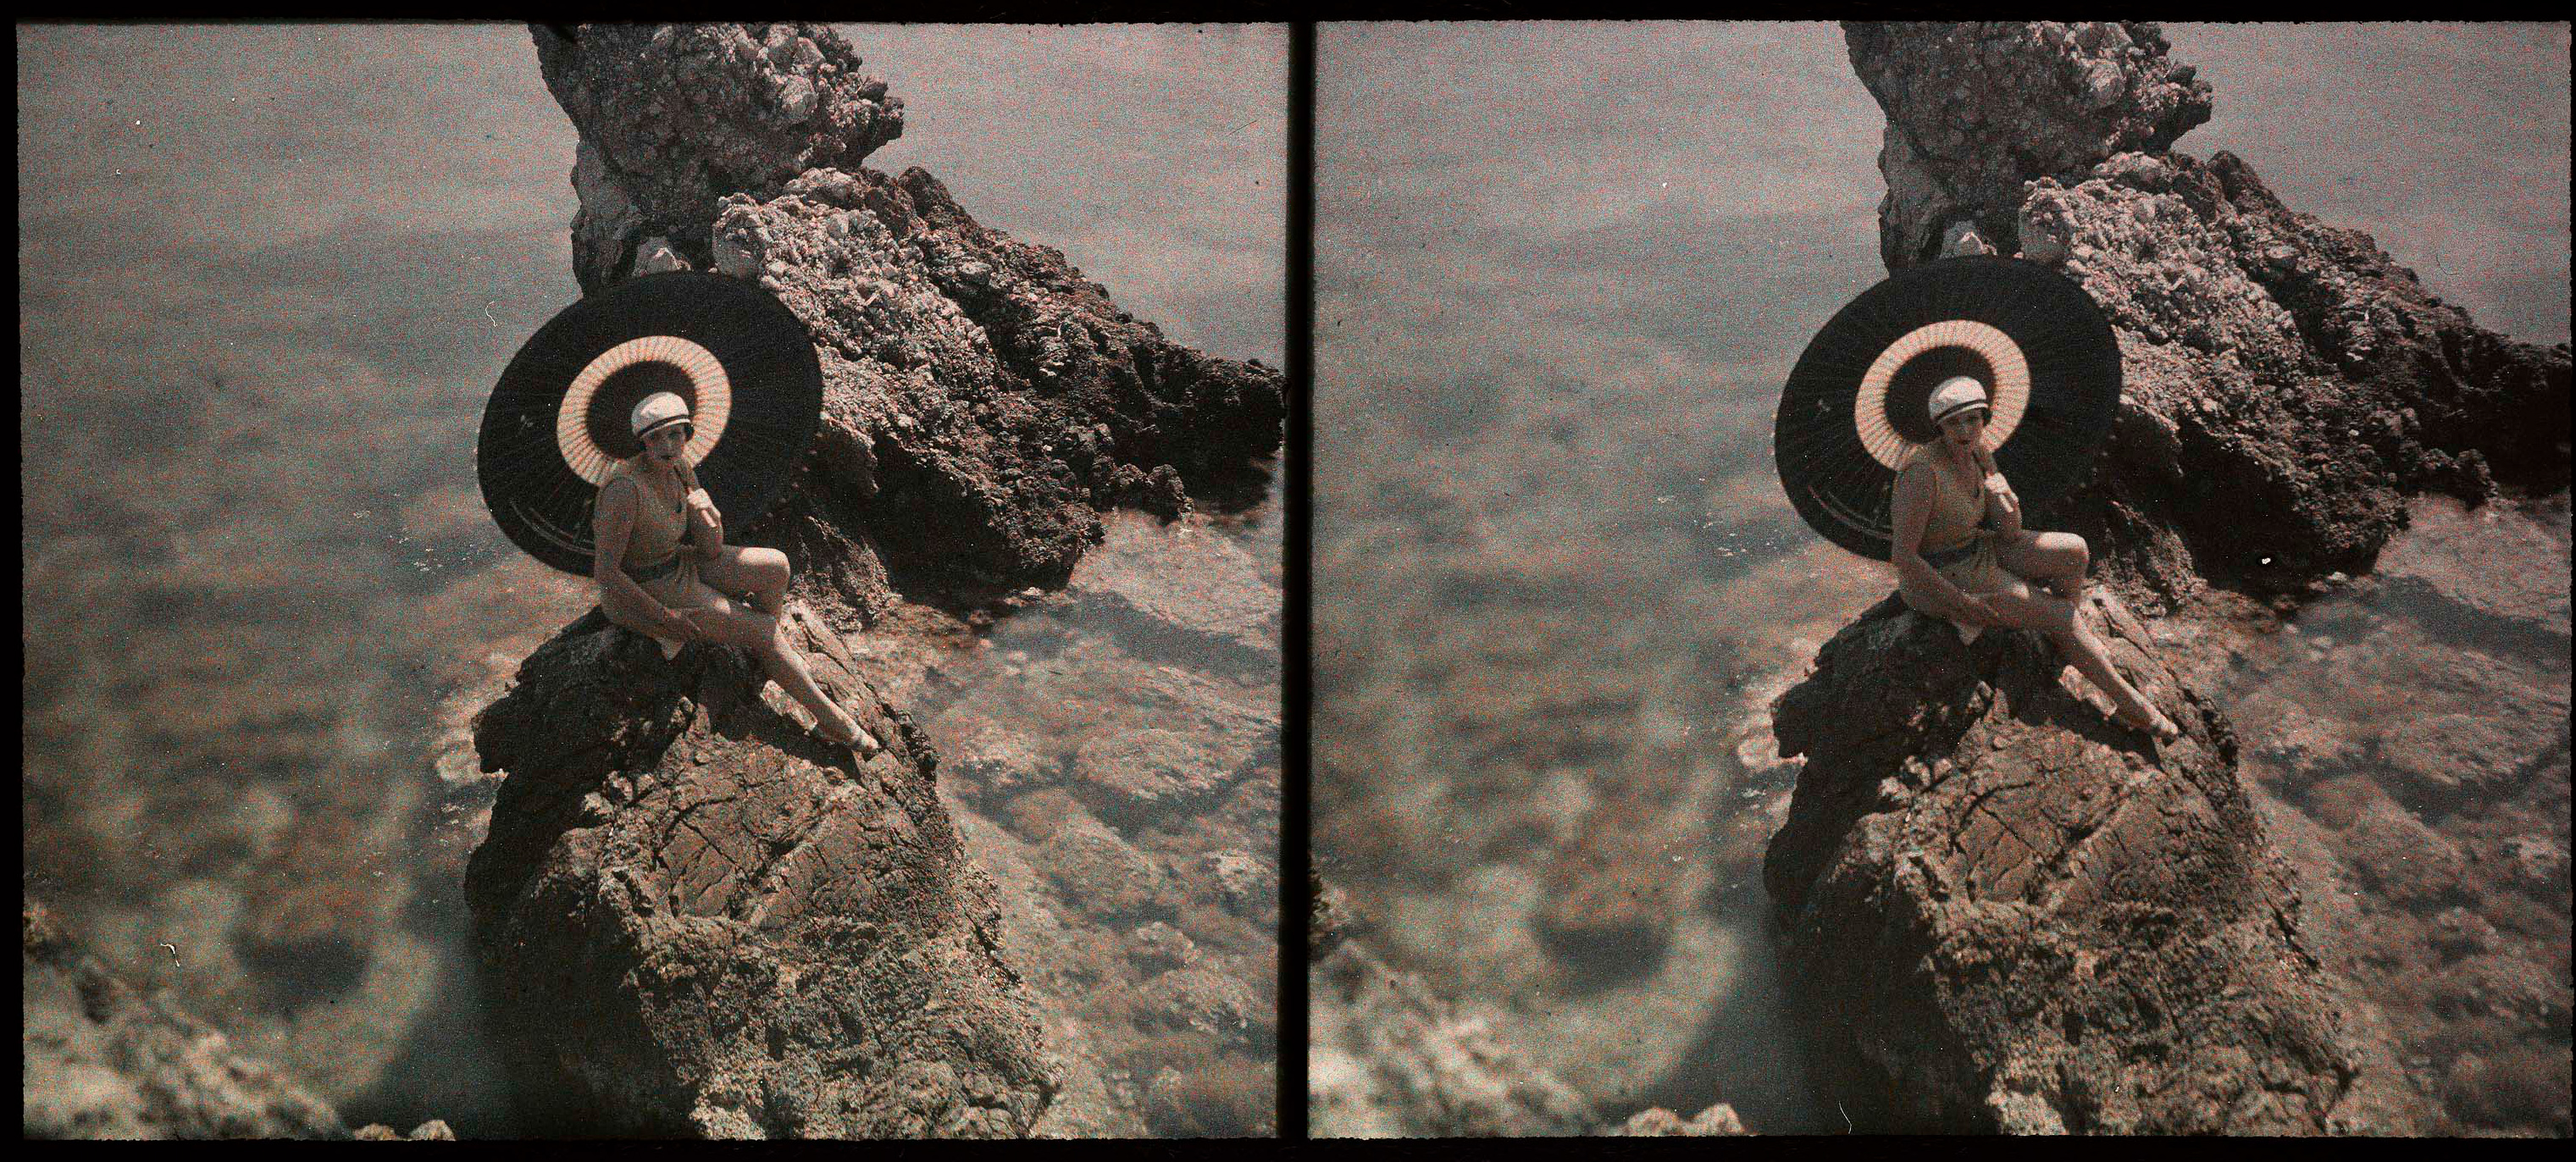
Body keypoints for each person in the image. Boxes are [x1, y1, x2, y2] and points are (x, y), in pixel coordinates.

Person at [1889, 377, 2182, 740]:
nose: (1965, 430)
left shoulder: (1979, 453)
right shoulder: (1921, 473)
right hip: (1942, 572)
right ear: (1939, 427)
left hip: (1979, 547)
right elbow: (1902, 556)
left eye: (1973, 419)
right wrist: (1962, 604)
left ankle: (2064, 639)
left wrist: (2004, 497)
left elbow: (2010, 533)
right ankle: (2136, 710)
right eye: (1953, 423)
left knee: (2074, 551)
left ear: (1985, 417)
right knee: (2061, 614)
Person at [592, 391, 881, 755]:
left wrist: (708, 514)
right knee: (763, 629)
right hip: (647, 586)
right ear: (642, 442)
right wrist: (667, 619)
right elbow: (605, 573)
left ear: (687, 432)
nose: (667, 445)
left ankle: (763, 650)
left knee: (776, 567)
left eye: (676, 434)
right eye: (655, 438)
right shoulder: (624, 489)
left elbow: (711, 549)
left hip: (679, 560)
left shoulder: (680, 468)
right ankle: (836, 724)